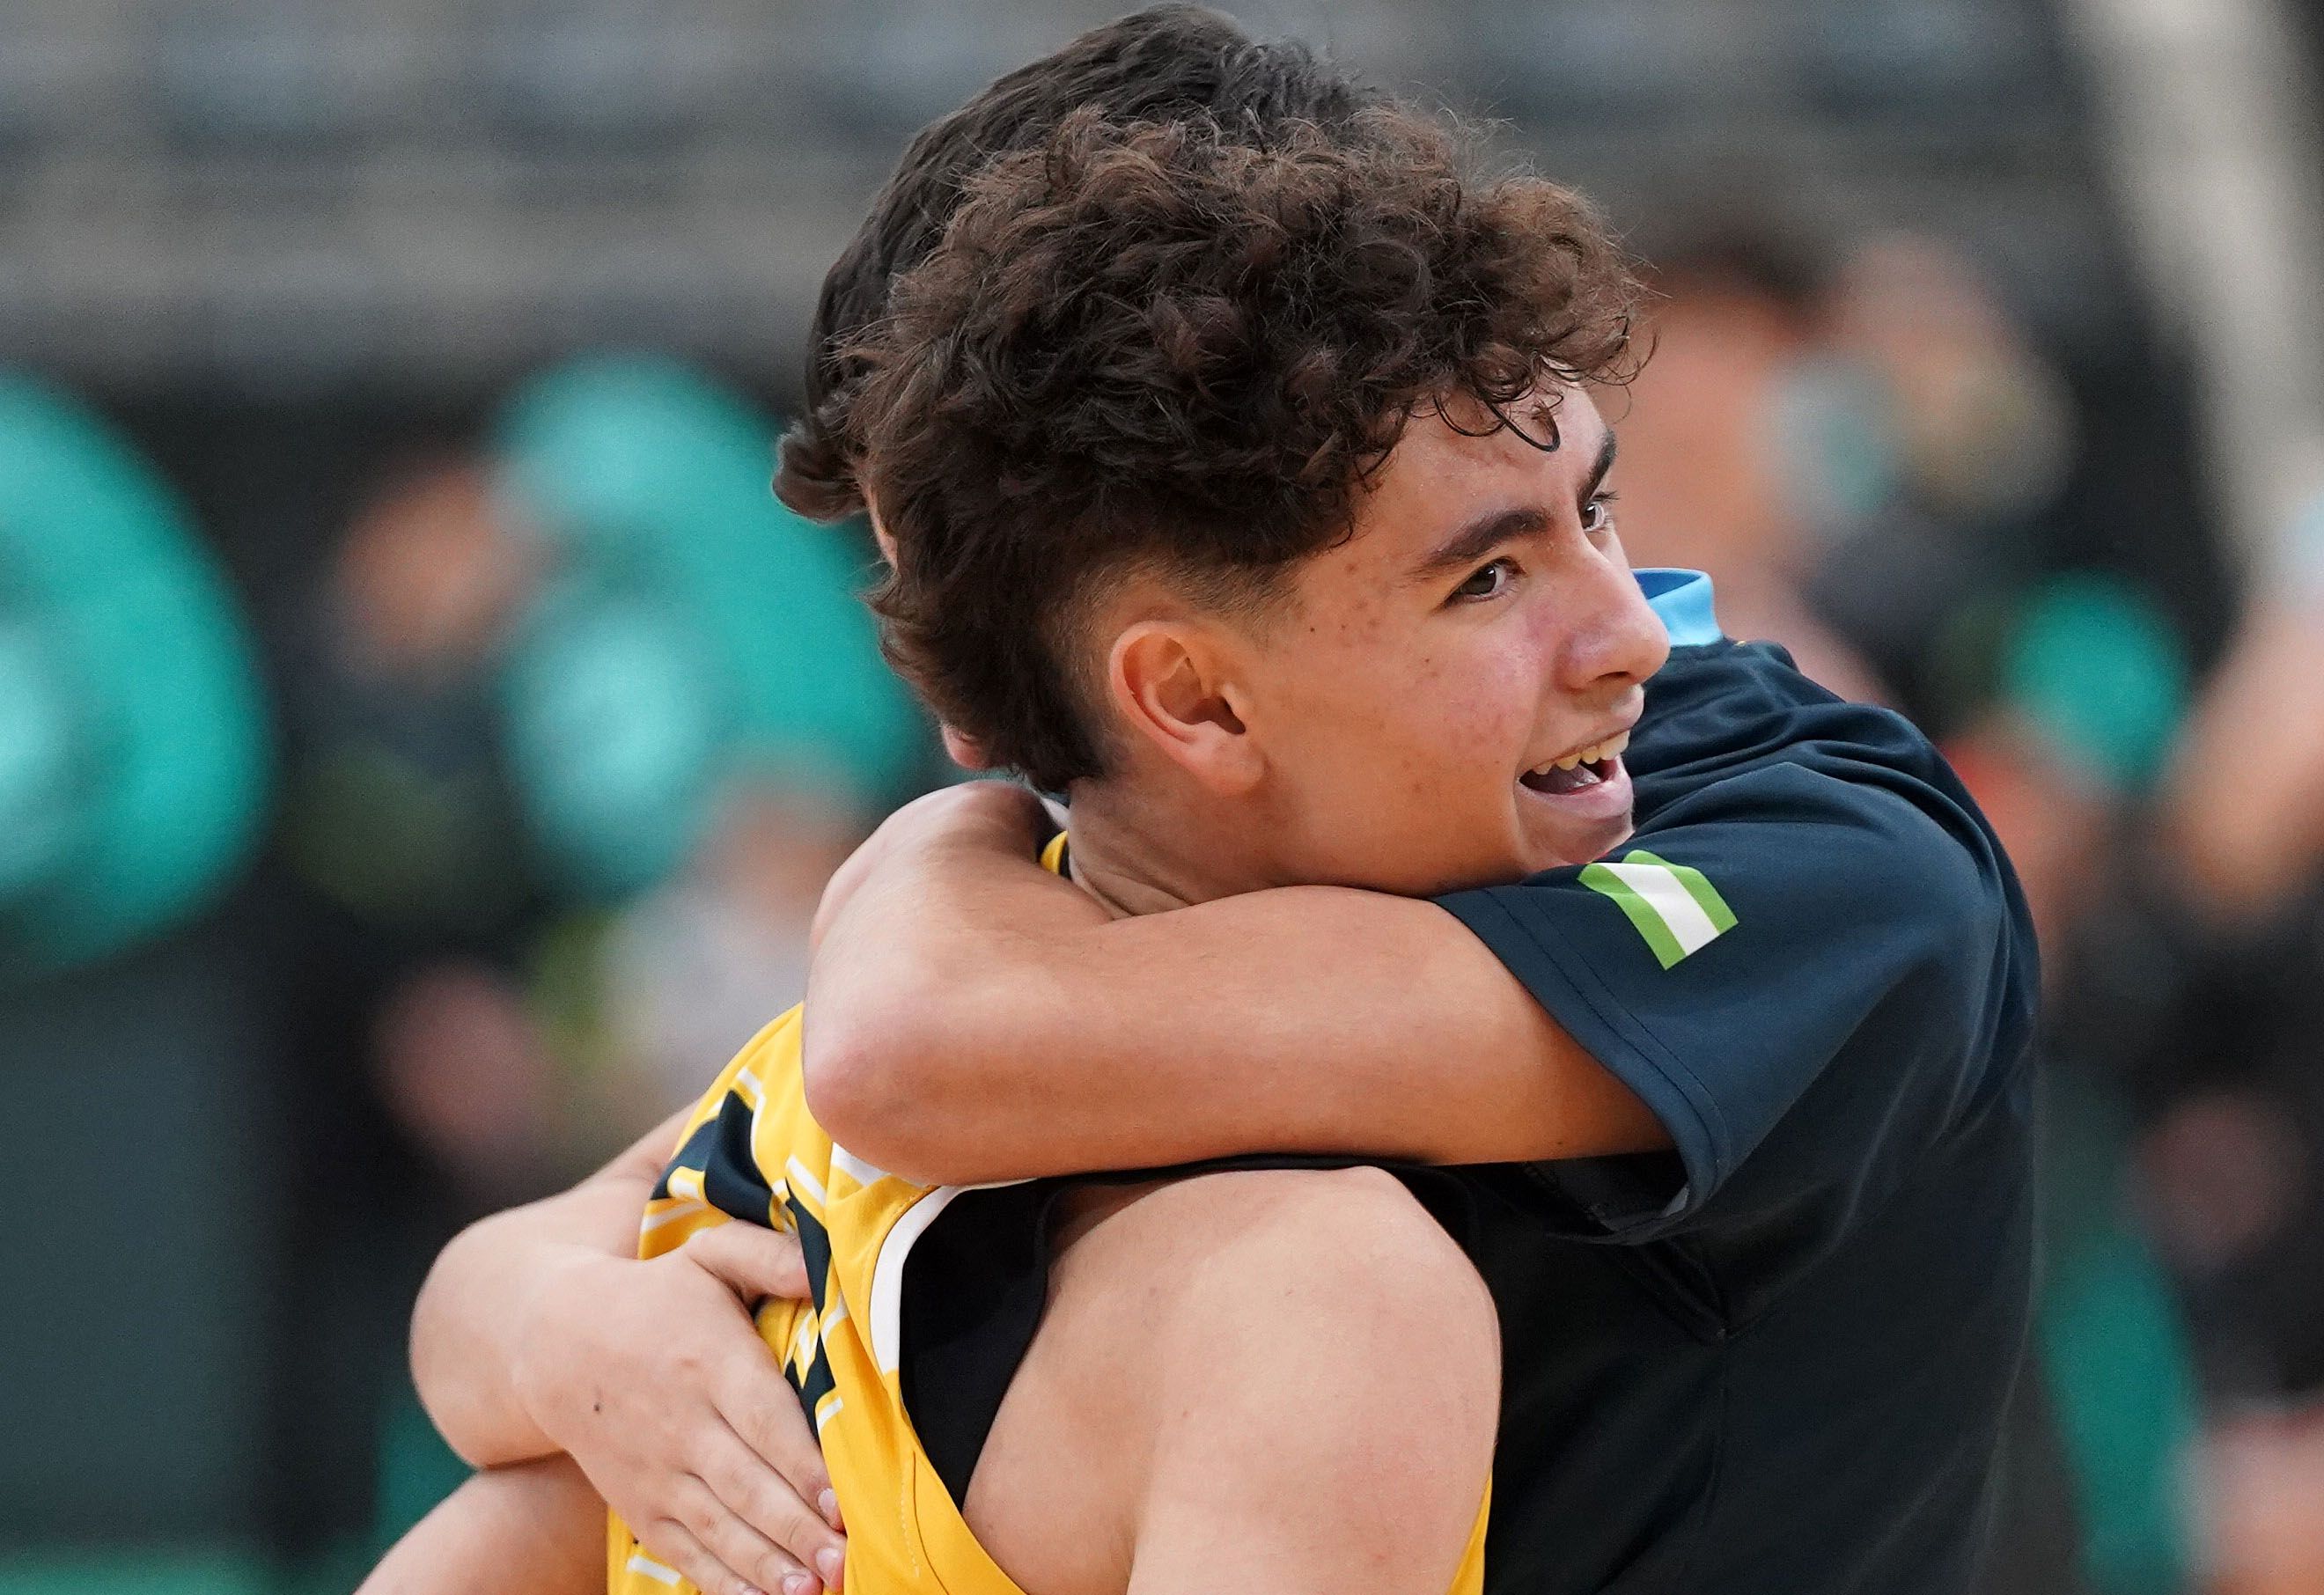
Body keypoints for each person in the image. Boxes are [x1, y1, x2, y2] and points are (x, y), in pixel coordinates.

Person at [390, 14, 2039, 1595]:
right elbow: (529, 1268)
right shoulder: (1077, 867)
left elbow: (917, 1047)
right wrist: (577, 1334)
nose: (1629, 623)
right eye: (918, 556)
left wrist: (917, 864)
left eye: (1583, 514)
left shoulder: (1817, 853)